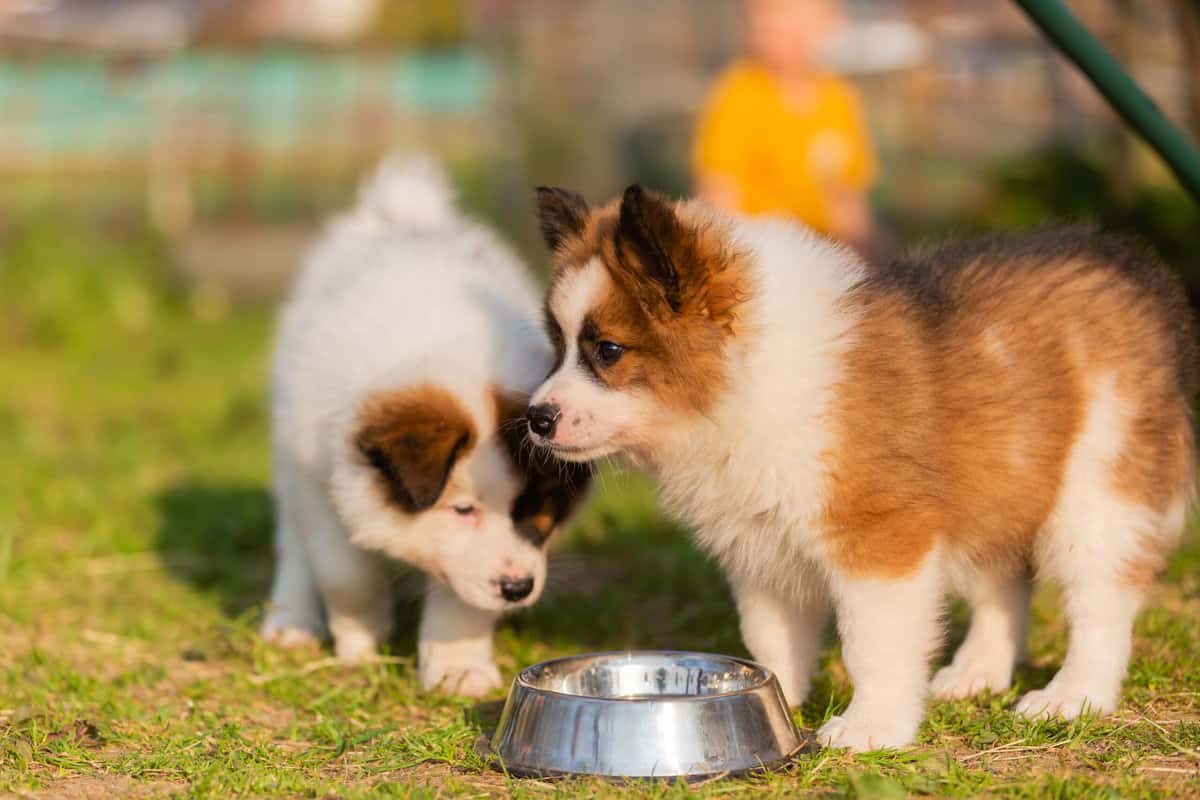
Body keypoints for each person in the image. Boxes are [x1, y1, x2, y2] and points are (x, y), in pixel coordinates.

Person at [693, 0, 878, 251]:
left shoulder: (838, 99)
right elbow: (719, 199)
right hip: (759, 255)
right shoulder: (736, 96)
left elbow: (848, 204)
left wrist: (861, 256)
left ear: (828, 23)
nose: (767, 23)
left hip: (825, 252)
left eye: (782, 12)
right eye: (759, 12)